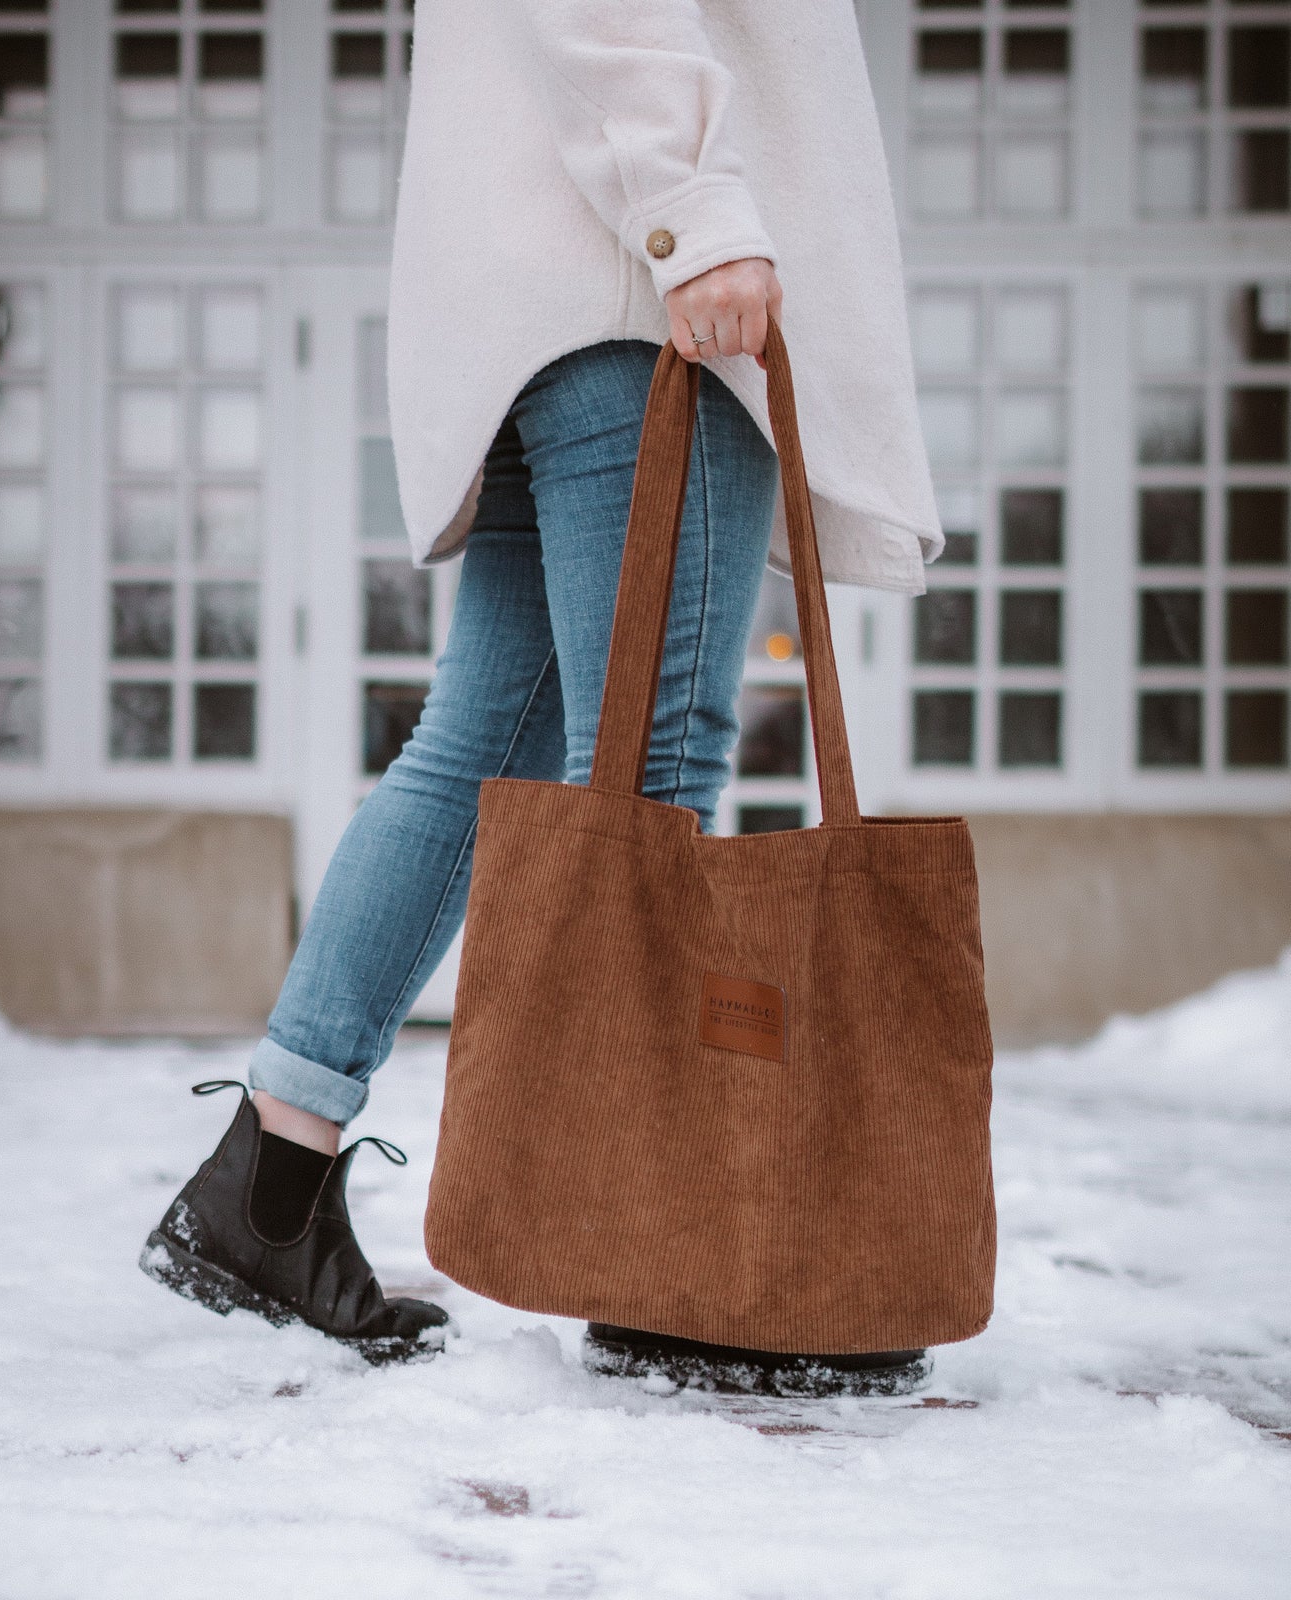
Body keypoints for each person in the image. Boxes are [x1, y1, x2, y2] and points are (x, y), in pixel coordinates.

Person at [141, 0, 942, 1368]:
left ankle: (267, 1187)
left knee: (486, 748)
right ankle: (653, 1265)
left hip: (567, 298)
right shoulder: (667, 240)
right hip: (642, 298)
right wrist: (692, 208)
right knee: (655, 767)